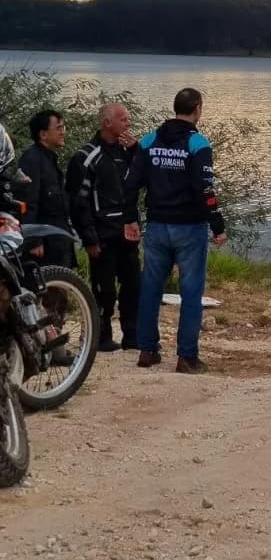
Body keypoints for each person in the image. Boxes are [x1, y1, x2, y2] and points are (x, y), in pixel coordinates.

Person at [124, 87, 227, 373]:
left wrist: (130, 218)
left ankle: (147, 351)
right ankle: (186, 357)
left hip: (157, 227)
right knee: (191, 293)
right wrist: (217, 224)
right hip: (190, 228)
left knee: (150, 290)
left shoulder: (149, 140)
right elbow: (205, 189)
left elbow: (131, 183)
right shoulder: (197, 143)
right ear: (197, 109)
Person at [66, 102, 141, 353]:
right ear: (107, 122)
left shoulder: (126, 152)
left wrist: (136, 153)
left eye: (128, 119)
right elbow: (78, 202)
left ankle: (132, 334)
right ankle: (99, 335)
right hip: (102, 236)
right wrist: (89, 239)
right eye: (124, 119)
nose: (128, 124)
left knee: (133, 286)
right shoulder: (86, 156)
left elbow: (144, 181)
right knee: (104, 290)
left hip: (128, 234)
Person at [17, 109, 75, 267]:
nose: (63, 132)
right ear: (43, 134)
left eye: (63, 128)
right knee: (45, 291)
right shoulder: (32, 159)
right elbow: (27, 202)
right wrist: (33, 241)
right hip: (44, 246)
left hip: (58, 240)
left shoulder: (50, 159)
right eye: (58, 128)